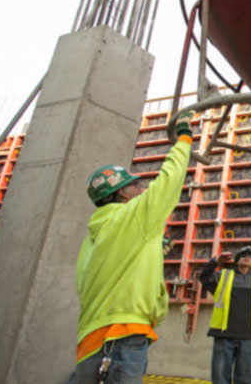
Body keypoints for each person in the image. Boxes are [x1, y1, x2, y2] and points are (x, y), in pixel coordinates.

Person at [73, 110, 195, 384]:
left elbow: (94, 282)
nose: (140, 189)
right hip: (121, 339)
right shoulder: (132, 217)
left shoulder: (93, 239)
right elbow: (169, 181)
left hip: (91, 341)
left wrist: (148, 254)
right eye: (134, 186)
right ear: (120, 194)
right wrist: (184, 139)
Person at [199, 245, 251, 384]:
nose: (247, 257)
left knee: (245, 378)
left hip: (247, 336)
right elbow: (204, 277)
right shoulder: (223, 276)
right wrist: (216, 261)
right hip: (223, 334)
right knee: (220, 377)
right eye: (244, 254)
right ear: (237, 259)